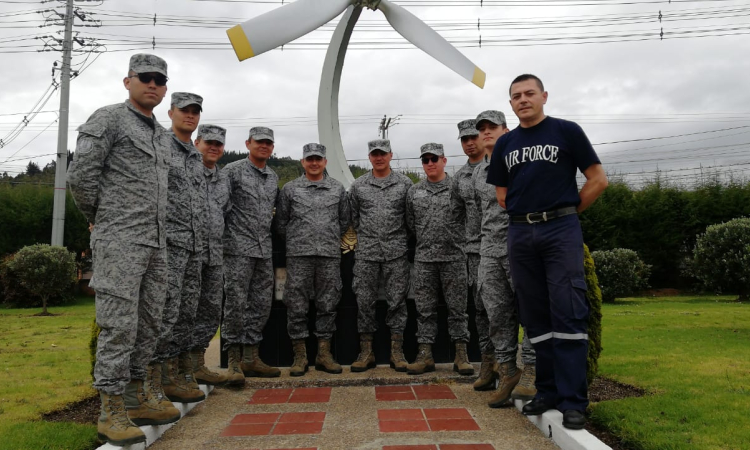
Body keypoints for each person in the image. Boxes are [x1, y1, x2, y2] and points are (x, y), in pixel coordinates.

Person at [68, 53, 179, 446]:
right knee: (118, 326)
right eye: (146, 77)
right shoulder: (108, 119)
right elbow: (81, 176)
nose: (153, 85)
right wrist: (102, 219)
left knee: (149, 324)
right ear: (128, 81)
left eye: (160, 80)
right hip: (120, 241)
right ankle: (110, 410)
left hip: (156, 243)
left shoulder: (162, 135)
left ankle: (136, 399)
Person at [487, 74, 608, 429]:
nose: (523, 100)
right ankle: (547, 390)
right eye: (516, 96)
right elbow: (501, 194)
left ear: (544, 96)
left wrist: (565, 214)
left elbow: (598, 178)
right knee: (535, 314)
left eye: (529, 94)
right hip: (521, 233)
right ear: (510, 104)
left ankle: (573, 401)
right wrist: (530, 219)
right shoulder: (506, 143)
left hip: (560, 230)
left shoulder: (566, 131)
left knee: (568, 311)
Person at [471, 110, 536, 408]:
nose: (486, 133)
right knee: (497, 315)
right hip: (489, 252)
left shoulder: (521, 160)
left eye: (492, 127)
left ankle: (532, 372)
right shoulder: (477, 172)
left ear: (506, 130)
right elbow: (480, 215)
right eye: (481, 128)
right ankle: (509, 371)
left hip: (519, 247)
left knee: (530, 312)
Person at [275, 143, 350, 376]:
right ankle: (300, 356)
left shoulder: (337, 189)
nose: (314, 163)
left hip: (328, 255)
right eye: (310, 159)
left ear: (325, 161)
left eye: (318, 159)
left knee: (328, 304)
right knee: (296, 305)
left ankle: (324, 354)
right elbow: (282, 223)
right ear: (303, 162)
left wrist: (325, 238)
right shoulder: (289, 189)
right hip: (299, 256)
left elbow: (344, 221)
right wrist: (302, 240)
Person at [153, 92, 207, 405]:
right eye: (184, 110)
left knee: (186, 313)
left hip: (193, 248)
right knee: (164, 313)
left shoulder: (194, 155)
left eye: (195, 111)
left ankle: (177, 375)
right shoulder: (159, 144)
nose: (190, 116)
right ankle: (157, 382)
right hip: (168, 244)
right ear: (171, 111)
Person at [405, 143, 472, 375]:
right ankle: (425, 355)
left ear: (444, 160)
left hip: (454, 258)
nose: (430, 163)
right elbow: (411, 224)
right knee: (424, 309)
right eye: (426, 160)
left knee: (458, 309)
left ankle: (461, 355)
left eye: (434, 159)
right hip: (424, 260)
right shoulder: (414, 191)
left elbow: (469, 219)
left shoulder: (459, 187)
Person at [348, 139, 413, 373]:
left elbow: (410, 219)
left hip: (396, 253)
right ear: (369, 157)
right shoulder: (358, 186)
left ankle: (397, 352)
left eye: (383, 154)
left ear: (390, 155)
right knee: (364, 302)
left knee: (397, 302)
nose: (379, 158)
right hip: (367, 254)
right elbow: (354, 218)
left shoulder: (405, 184)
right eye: (374, 154)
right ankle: (366, 352)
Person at [222, 127, 281, 382]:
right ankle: (234, 360)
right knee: (235, 304)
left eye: (268, 143)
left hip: (263, 251)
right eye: (259, 142)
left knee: (260, 304)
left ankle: (251, 357)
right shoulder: (232, 172)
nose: (264, 146)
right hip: (237, 249)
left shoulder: (273, 176)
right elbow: (220, 208)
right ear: (248, 143)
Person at [190, 124, 237, 386]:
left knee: (209, 311)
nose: (214, 147)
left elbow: (225, 213)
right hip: (187, 252)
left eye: (219, 144)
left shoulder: (223, 179)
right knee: (183, 312)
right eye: (209, 142)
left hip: (215, 255)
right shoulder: (186, 172)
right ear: (197, 143)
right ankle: (176, 370)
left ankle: (197, 365)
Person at [451, 119, 483, 377]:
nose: (470, 143)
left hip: (503, 246)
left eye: (473, 137)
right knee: (481, 309)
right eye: (464, 139)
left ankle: (516, 366)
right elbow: (456, 216)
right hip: (473, 251)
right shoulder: (459, 177)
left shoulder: (500, 167)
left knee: (507, 309)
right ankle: (490, 363)